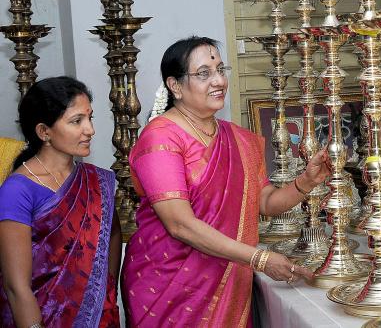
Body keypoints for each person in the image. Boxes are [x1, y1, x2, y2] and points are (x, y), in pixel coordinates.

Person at [122, 36, 330, 327]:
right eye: (204, 74)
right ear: (175, 86)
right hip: (169, 284)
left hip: (226, 275)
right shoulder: (161, 138)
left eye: (221, 69)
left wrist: (304, 183)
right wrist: (260, 259)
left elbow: (266, 202)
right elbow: (179, 224)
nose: (218, 80)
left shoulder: (237, 138)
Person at [0, 76, 121, 328]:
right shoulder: (17, 190)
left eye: (90, 118)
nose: (90, 129)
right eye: (77, 121)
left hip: (99, 317)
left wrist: (103, 290)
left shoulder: (94, 180)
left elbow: (113, 233)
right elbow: (16, 286)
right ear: (44, 131)